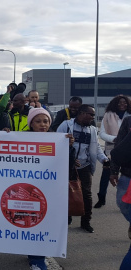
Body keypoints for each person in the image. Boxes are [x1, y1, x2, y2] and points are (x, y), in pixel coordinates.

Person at [24, 107, 76, 270]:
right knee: (31, 222)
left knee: (45, 222)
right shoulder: (21, 140)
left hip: (49, 191)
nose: (42, 124)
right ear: (31, 124)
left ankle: (37, 255)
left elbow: (66, 165)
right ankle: (36, 260)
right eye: (38, 121)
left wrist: (68, 147)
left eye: (45, 121)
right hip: (28, 191)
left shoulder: (57, 140)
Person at [57, 104, 109, 233]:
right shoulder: (66, 125)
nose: (92, 117)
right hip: (67, 166)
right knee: (65, 193)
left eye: (93, 115)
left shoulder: (92, 129)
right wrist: (69, 158)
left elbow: (96, 147)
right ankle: (65, 218)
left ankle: (86, 222)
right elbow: (56, 143)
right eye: (90, 114)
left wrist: (104, 159)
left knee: (86, 195)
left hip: (84, 166)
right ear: (81, 113)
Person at [95, 95, 131, 208]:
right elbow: (102, 133)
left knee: (126, 175)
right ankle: (101, 198)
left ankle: (125, 200)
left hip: (127, 151)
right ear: (115, 103)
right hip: (111, 149)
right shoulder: (108, 115)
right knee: (107, 175)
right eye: (119, 103)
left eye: (124, 103)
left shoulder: (129, 116)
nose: (122, 105)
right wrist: (115, 139)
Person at [110, 116, 131, 269]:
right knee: (122, 203)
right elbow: (118, 151)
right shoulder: (129, 121)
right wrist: (113, 171)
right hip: (128, 175)